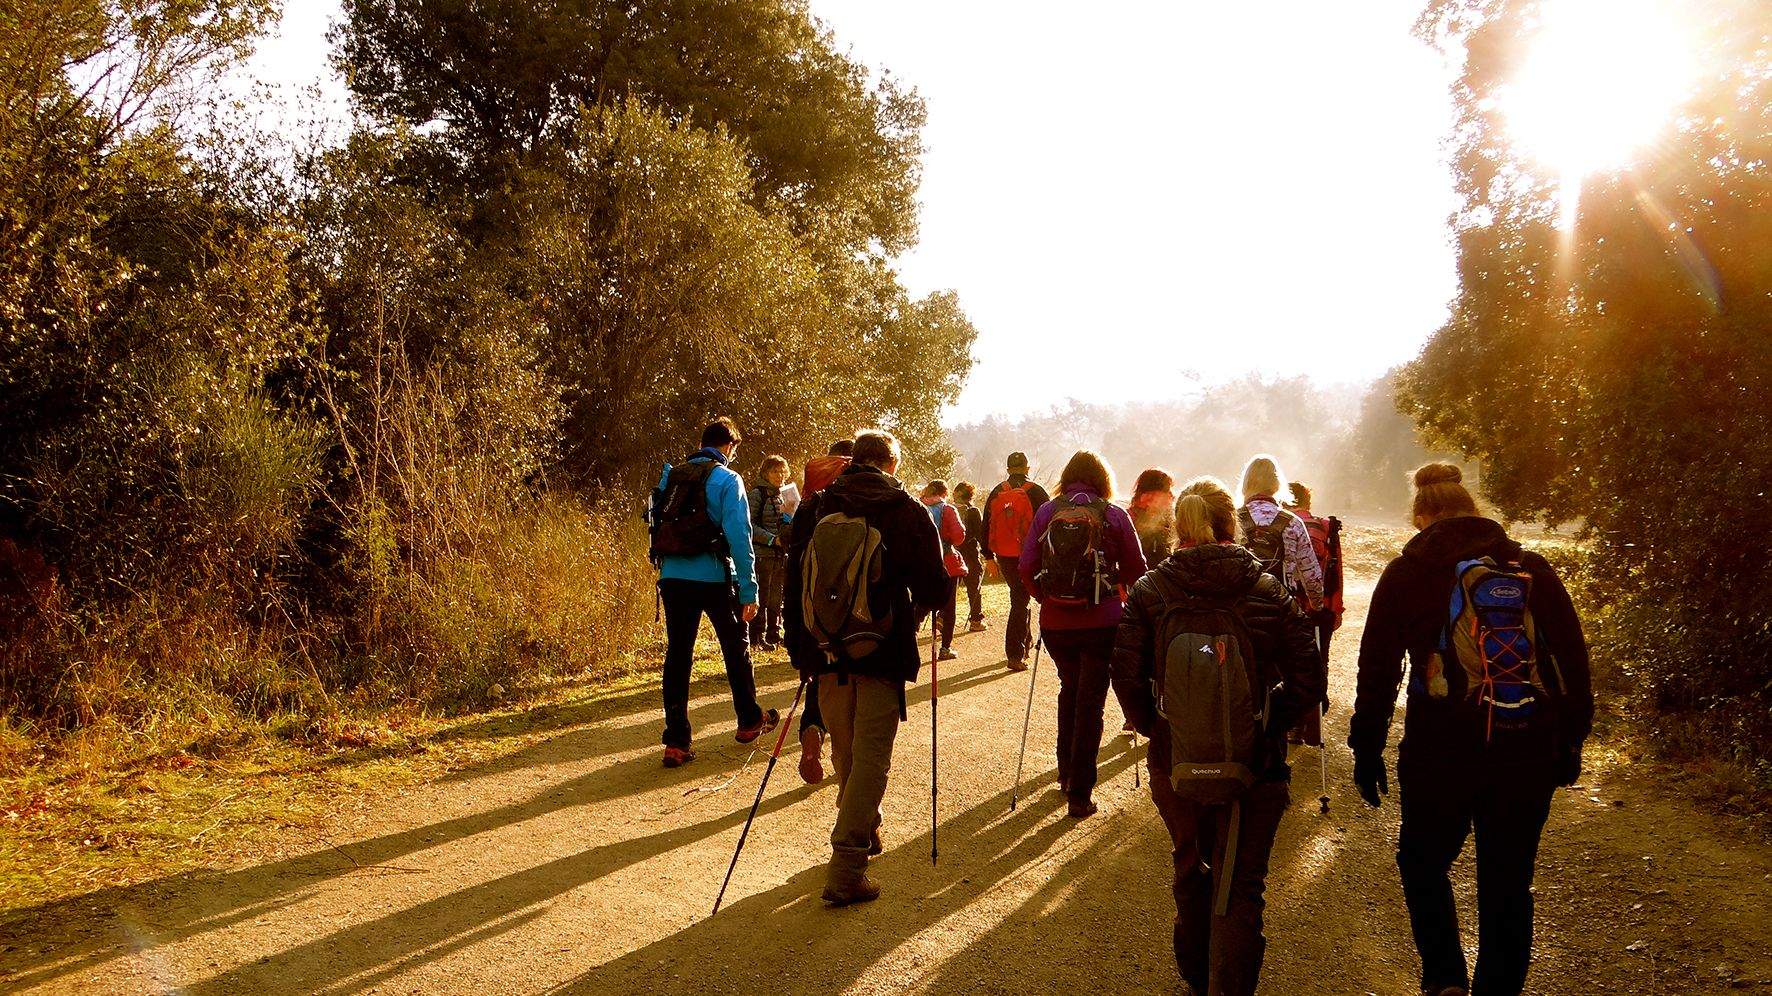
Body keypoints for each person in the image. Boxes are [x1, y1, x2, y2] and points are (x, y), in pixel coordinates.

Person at [1349, 463, 1593, 996]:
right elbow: (1572, 659)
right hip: (1526, 743)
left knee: (1422, 862)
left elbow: (1378, 671)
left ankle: (1444, 979)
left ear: (1421, 516)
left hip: (1440, 747)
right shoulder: (1532, 569)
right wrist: (1572, 738)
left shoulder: (1406, 573)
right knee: (1507, 881)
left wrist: (1366, 748)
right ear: (1474, 511)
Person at [1111, 476, 1323, 994]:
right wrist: (1268, 728)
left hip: (1176, 756)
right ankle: (1230, 984)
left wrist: (1158, 730)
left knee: (1190, 863)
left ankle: (1195, 973)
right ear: (1234, 524)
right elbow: (1307, 675)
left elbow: (1126, 673)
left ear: (1177, 528)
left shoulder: (1150, 591)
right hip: (1256, 762)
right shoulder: (1268, 591)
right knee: (1244, 881)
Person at [784, 430, 948, 906]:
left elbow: (793, 586)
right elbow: (936, 590)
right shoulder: (906, 509)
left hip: (824, 649)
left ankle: (865, 826)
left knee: (848, 746)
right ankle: (847, 866)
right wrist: (912, 614)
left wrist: (803, 653)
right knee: (872, 755)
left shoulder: (815, 508)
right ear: (892, 462)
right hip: (882, 649)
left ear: (854, 460)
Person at [1019, 451, 1146, 818]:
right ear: (1101, 479)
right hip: (1102, 619)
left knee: (1069, 689)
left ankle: (1064, 774)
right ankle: (1080, 794)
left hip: (1057, 622)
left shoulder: (1047, 511)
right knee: (1092, 700)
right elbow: (1137, 569)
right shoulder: (1113, 513)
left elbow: (1028, 565)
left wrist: (1046, 598)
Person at [649, 417, 778, 768]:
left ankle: (676, 742)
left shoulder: (671, 476)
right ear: (729, 447)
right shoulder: (727, 479)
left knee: (678, 657)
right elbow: (740, 538)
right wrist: (749, 590)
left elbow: (655, 524)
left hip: (673, 577)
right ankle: (750, 720)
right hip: (715, 577)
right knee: (736, 648)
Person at [795, 439, 854, 785]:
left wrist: (796, 640)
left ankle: (812, 732)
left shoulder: (811, 500)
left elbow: (795, 567)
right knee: (854, 689)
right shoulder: (869, 498)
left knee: (819, 680)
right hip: (858, 616)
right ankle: (844, 758)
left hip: (814, 613)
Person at [982, 452, 1050, 670]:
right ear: (1027, 468)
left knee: (1020, 595)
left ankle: (1024, 642)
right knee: (1020, 600)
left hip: (1004, 555)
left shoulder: (997, 492)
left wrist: (987, 556)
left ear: (1008, 468)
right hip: (1030, 554)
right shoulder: (1038, 492)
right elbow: (1051, 524)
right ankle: (1014, 653)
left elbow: (985, 525)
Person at [1236, 455, 1325, 609]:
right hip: (1282, 608)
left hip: (1241, 610)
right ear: (1276, 484)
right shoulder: (1293, 522)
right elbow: (1311, 576)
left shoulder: (1233, 520)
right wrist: (1318, 605)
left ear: (1245, 484)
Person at [748, 454, 792, 651]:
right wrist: (772, 539)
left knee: (777, 595)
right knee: (762, 596)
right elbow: (749, 525)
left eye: (782, 471)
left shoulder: (784, 494)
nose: (779, 475)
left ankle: (774, 634)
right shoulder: (758, 494)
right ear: (765, 472)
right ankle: (756, 636)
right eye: (774, 471)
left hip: (780, 554)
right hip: (762, 553)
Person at [920, 479, 967, 662]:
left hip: (922, 563)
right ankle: (945, 648)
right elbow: (958, 537)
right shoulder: (948, 509)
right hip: (947, 563)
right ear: (945, 493)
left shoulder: (917, 507)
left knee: (920, 604)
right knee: (950, 607)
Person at [953, 481, 987, 632]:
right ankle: (975, 620)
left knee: (951, 588)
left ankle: (942, 616)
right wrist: (987, 553)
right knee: (974, 588)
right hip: (970, 555)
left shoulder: (949, 509)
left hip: (952, 555)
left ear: (959, 493)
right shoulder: (973, 511)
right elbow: (980, 534)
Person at [1130, 467, 1178, 564]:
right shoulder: (1126, 521)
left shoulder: (1172, 524)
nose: (1172, 496)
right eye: (1167, 491)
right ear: (1147, 496)